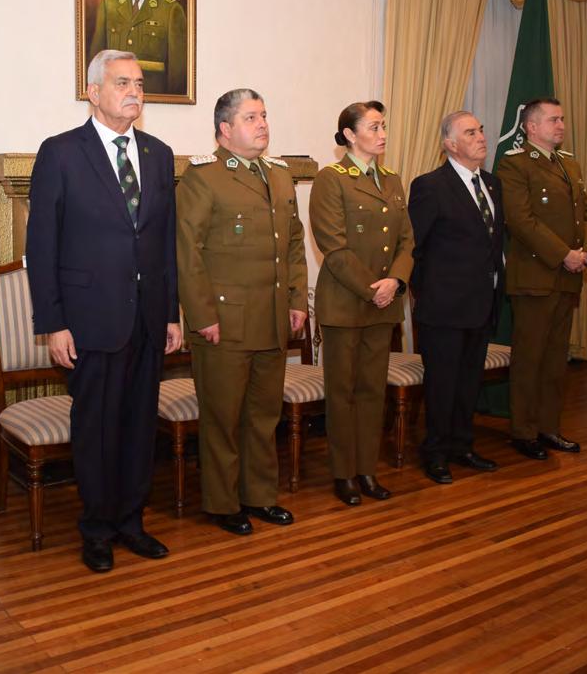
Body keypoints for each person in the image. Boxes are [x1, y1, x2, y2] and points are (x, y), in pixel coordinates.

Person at [26, 49, 181, 573]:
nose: (134, 91)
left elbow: (165, 243)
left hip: (148, 317)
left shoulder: (159, 155)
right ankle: (96, 530)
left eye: (139, 83)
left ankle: (131, 522)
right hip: (89, 318)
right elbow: (41, 245)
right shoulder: (61, 153)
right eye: (122, 83)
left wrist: (171, 313)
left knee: (139, 425)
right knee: (95, 429)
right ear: (93, 92)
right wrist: (53, 323)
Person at [177, 88, 308, 535]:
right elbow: (188, 253)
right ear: (225, 129)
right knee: (223, 418)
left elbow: (293, 244)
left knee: (263, 415)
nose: (263, 124)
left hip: (271, 317)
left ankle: (260, 496)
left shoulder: (280, 175)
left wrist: (296, 300)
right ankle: (222, 502)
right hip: (224, 321)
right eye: (251, 117)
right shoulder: (204, 177)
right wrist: (202, 316)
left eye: (264, 115)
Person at [309, 101, 413, 504]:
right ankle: (344, 474)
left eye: (384, 126)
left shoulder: (392, 179)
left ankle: (367, 470)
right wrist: (374, 289)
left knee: (372, 392)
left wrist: (396, 280)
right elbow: (333, 248)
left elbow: (407, 241)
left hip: (383, 304)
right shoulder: (331, 179)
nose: (382, 134)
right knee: (343, 393)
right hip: (346, 303)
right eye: (374, 127)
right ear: (350, 135)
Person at [499, 97, 587, 460]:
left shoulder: (568, 164)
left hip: (567, 277)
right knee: (530, 359)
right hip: (535, 276)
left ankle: (548, 427)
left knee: (556, 359)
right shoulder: (515, 164)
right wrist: (564, 255)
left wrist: (584, 253)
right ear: (531, 127)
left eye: (562, 119)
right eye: (553, 120)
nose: (561, 125)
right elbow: (521, 221)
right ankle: (523, 432)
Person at [408, 111, 504, 484]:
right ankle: (435, 453)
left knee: (468, 382)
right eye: (470, 132)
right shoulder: (430, 186)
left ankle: (462, 446)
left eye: (481, 130)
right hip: (443, 307)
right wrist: (428, 294)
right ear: (450, 144)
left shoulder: (492, 184)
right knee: (442, 384)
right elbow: (414, 247)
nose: (481, 136)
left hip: (482, 303)